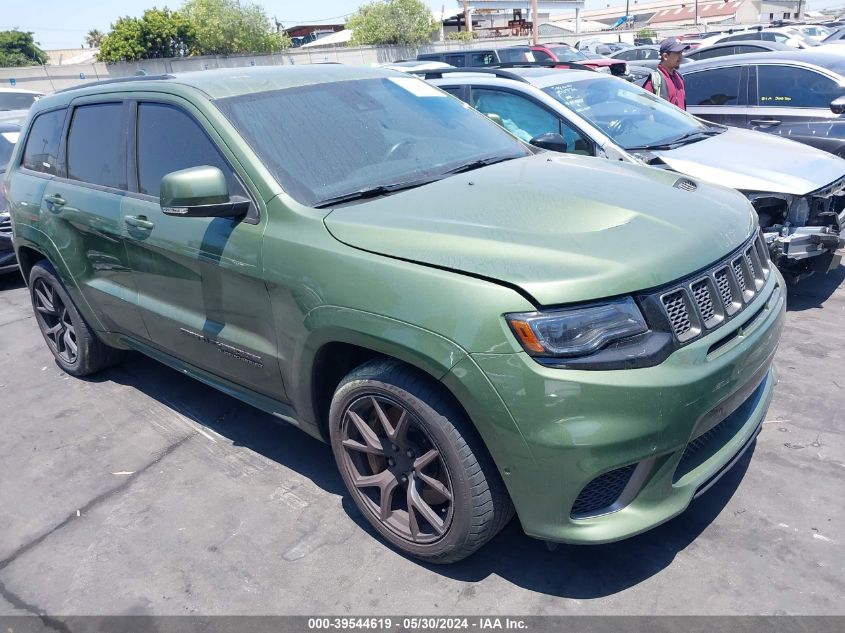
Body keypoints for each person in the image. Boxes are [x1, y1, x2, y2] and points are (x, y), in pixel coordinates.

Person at [643, 37, 688, 110]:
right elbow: (646, 110)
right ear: (665, 56)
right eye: (677, 53)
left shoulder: (679, 77)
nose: (681, 57)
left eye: (681, 52)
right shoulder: (655, 80)